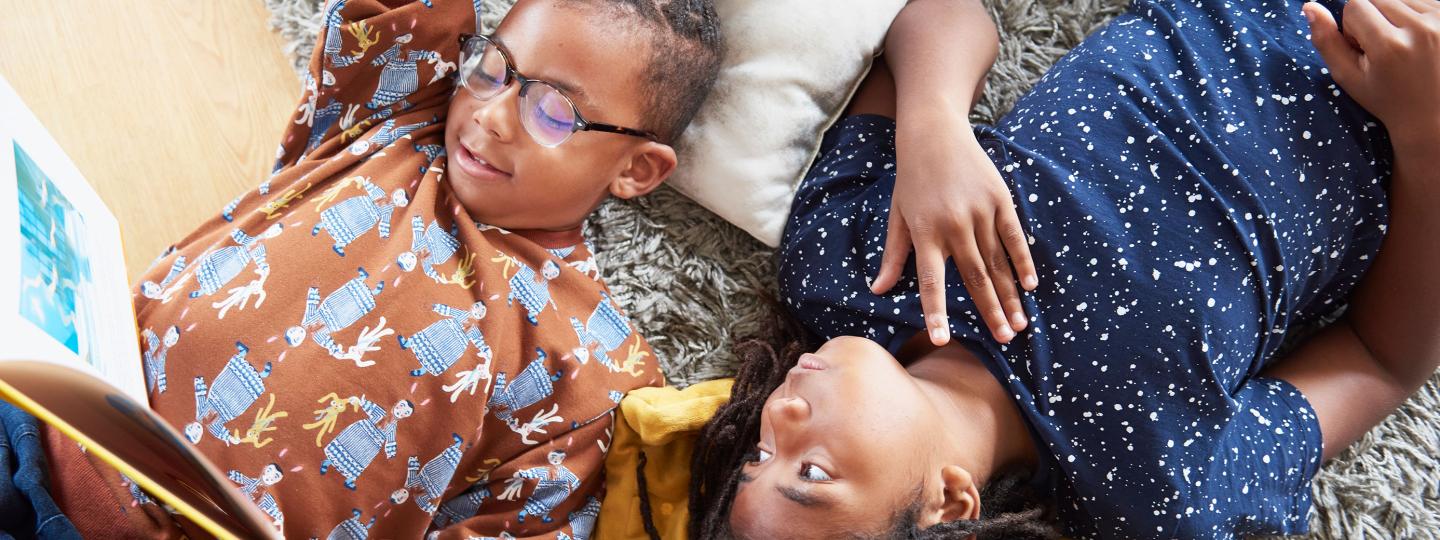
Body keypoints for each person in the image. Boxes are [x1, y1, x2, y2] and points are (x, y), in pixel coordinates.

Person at [690, 0, 1440, 538]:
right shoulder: (1156, 492)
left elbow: (944, 14)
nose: (777, 418)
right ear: (947, 503)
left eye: (757, 455)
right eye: (811, 472)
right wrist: (1425, 131)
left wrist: (934, 126)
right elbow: (1383, 359)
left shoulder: (844, 272)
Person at [29, 0, 723, 538]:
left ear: (637, 168)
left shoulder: (600, 367)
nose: (491, 115)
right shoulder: (399, 113)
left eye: (552, 111)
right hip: (43, 408)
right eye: (493, 68)